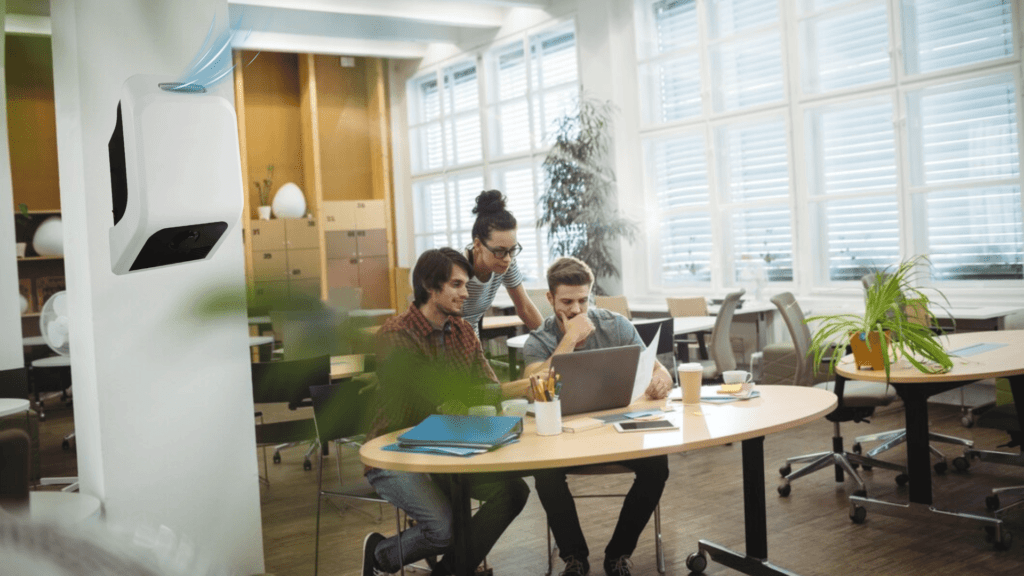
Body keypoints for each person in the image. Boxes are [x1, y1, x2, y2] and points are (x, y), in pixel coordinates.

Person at [361, 247, 530, 576]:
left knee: (513, 491)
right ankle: (380, 555)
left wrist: (501, 392)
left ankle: (450, 572)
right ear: (429, 285)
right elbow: (429, 398)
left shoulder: (464, 331)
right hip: (395, 454)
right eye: (456, 285)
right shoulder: (395, 336)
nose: (466, 294)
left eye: (466, 285)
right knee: (443, 530)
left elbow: (487, 388)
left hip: (451, 449)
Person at [522, 257, 673, 576]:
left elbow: (658, 369)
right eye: (566, 302)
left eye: (582, 300)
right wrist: (569, 339)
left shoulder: (616, 324)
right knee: (544, 473)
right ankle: (573, 557)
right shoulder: (539, 340)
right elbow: (535, 388)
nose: (576, 309)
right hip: (564, 438)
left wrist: (664, 380)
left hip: (615, 430)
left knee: (657, 466)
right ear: (550, 300)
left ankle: (618, 554)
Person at [461, 190, 544, 336]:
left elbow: (525, 308)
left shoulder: (506, 262)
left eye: (512, 250)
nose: (507, 259)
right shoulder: (456, 267)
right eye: (499, 251)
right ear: (478, 244)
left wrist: (552, 342)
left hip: (470, 345)